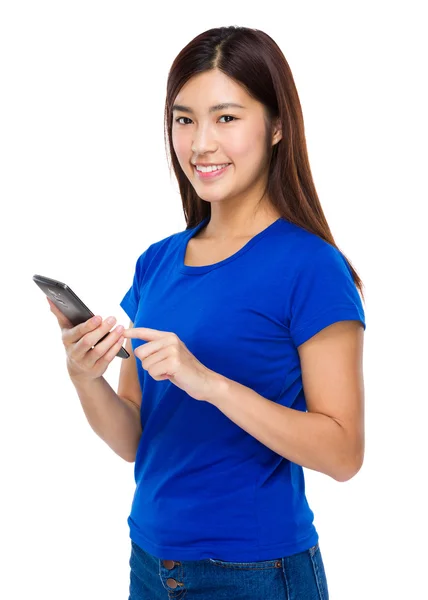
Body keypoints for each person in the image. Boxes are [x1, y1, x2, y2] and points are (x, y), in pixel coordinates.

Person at [49, 25, 366, 599]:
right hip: (150, 561)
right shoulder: (158, 263)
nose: (200, 144)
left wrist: (209, 384)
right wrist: (84, 378)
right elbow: (134, 439)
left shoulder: (312, 268)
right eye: (184, 118)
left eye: (225, 117)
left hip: (256, 573)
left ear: (275, 127)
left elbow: (344, 454)